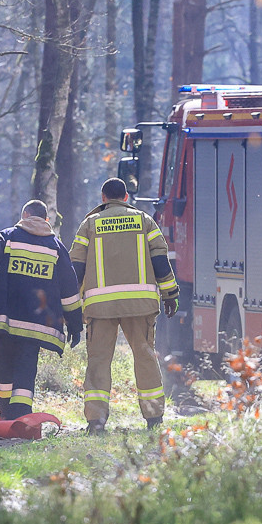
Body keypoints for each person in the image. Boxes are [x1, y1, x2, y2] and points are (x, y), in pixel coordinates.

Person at [69, 178, 179, 434]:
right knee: (145, 357)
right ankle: (154, 418)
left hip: (100, 308)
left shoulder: (90, 224)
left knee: (98, 361)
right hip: (139, 305)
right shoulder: (144, 221)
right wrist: (170, 294)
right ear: (126, 197)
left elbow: (76, 267)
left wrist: (70, 304)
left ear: (103, 197)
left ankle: (96, 421)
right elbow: (161, 261)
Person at [0, 200, 83, 421]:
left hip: (4, 322)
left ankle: (6, 414)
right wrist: (76, 324)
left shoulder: (6, 237)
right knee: (26, 368)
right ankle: (21, 418)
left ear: (25, 215)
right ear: (46, 220)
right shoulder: (57, 248)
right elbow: (69, 289)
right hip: (35, 328)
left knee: (2, 364)